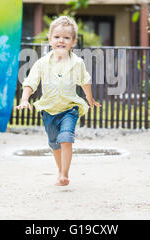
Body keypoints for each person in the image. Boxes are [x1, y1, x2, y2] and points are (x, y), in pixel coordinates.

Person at [15, 16, 101, 186]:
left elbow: (85, 81)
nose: (61, 40)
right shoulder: (41, 63)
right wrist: (25, 99)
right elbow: (30, 82)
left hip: (69, 109)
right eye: (57, 37)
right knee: (55, 143)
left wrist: (90, 99)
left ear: (73, 42)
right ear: (50, 39)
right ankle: (60, 171)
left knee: (66, 138)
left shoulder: (77, 63)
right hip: (49, 111)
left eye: (66, 38)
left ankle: (65, 174)